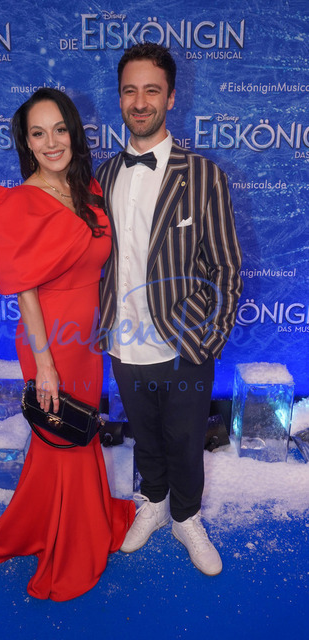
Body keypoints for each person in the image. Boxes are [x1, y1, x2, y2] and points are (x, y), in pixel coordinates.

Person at [0, 88, 135, 601]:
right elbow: (25, 292)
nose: (51, 142)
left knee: (75, 431)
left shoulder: (87, 188)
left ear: (73, 132)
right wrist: (44, 364)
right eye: (38, 133)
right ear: (26, 142)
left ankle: (54, 519)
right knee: (63, 435)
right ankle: (69, 546)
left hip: (86, 339)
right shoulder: (21, 201)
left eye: (59, 129)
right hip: (49, 339)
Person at [95, 43, 242, 576]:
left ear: (171, 97)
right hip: (122, 341)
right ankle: (153, 503)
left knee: (184, 440)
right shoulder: (103, 175)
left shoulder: (203, 176)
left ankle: (187, 516)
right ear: (120, 98)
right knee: (144, 433)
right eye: (130, 91)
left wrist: (209, 337)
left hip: (184, 342)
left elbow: (226, 269)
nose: (140, 102)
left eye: (151, 90)